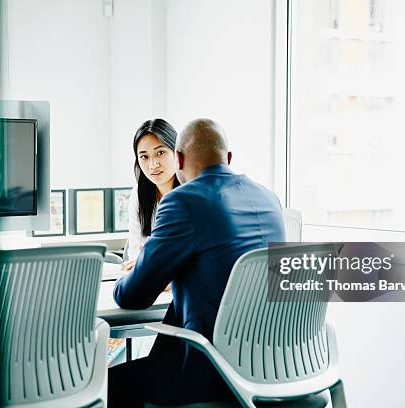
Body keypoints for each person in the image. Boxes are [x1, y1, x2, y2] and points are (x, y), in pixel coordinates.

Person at [108, 118, 286, 407]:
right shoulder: (270, 198)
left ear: (178, 158)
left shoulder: (182, 201)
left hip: (211, 372)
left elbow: (133, 296)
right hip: (275, 369)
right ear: (228, 158)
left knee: (105, 385)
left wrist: (121, 278)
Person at [123, 118, 180, 269]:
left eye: (160, 153)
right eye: (144, 157)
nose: (153, 165)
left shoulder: (192, 193)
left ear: (176, 151)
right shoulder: (138, 193)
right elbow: (135, 251)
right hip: (151, 279)